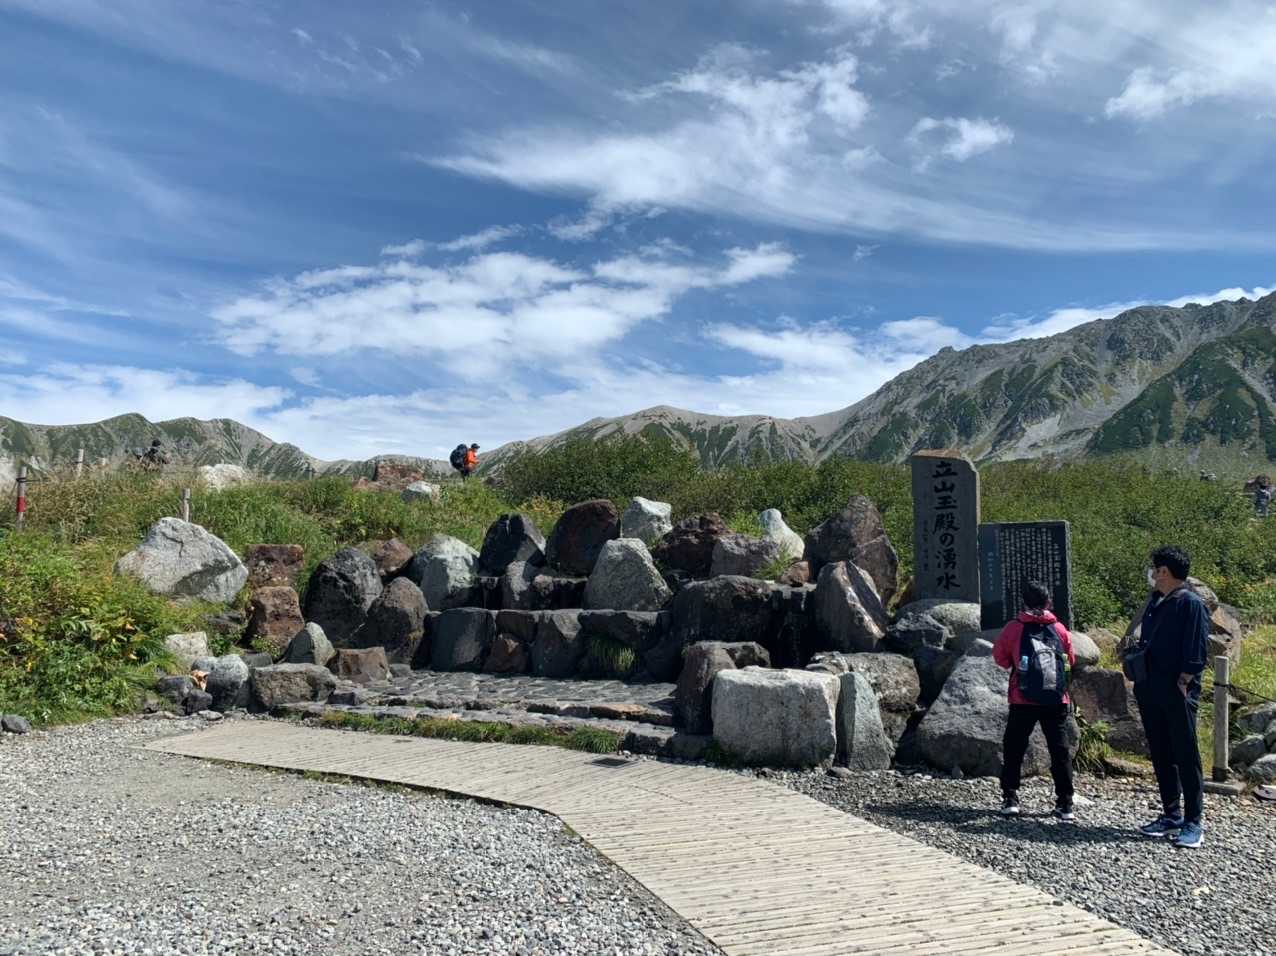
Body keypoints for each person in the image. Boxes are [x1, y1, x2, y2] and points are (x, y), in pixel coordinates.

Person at [1126, 546, 1210, 849]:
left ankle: (1193, 821)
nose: (1152, 574)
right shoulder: (1155, 601)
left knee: (1186, 754)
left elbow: (1197, 650)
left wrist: (1185, 680)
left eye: (1155, 569)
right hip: (1150, 687)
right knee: (1161, 751)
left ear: (1164, 571)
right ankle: (1171, 814)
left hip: (1177, 690)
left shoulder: (1191, 604)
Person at [992, 579, 1077, 821]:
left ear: (1024, 602)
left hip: (1023, 698)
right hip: (1056, 698)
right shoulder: (1059, 629)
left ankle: (1010, 798)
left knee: (1014, 747)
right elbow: (1070, 661)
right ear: (1048, 602)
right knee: (1059, 750)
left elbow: (1000, 658)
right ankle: (1065, 803)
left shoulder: (1014, 628)